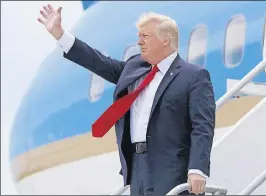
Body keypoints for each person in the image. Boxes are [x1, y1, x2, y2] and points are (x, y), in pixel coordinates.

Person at [38, 4, 216, 195]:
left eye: (145, 36)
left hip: (171, 169)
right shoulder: (134, 68)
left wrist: (197, 169)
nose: (139, 42)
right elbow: (98, 61)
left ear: (166, 40)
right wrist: (60, 35)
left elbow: (203, 125)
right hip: (136, 168)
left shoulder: (193, 76)